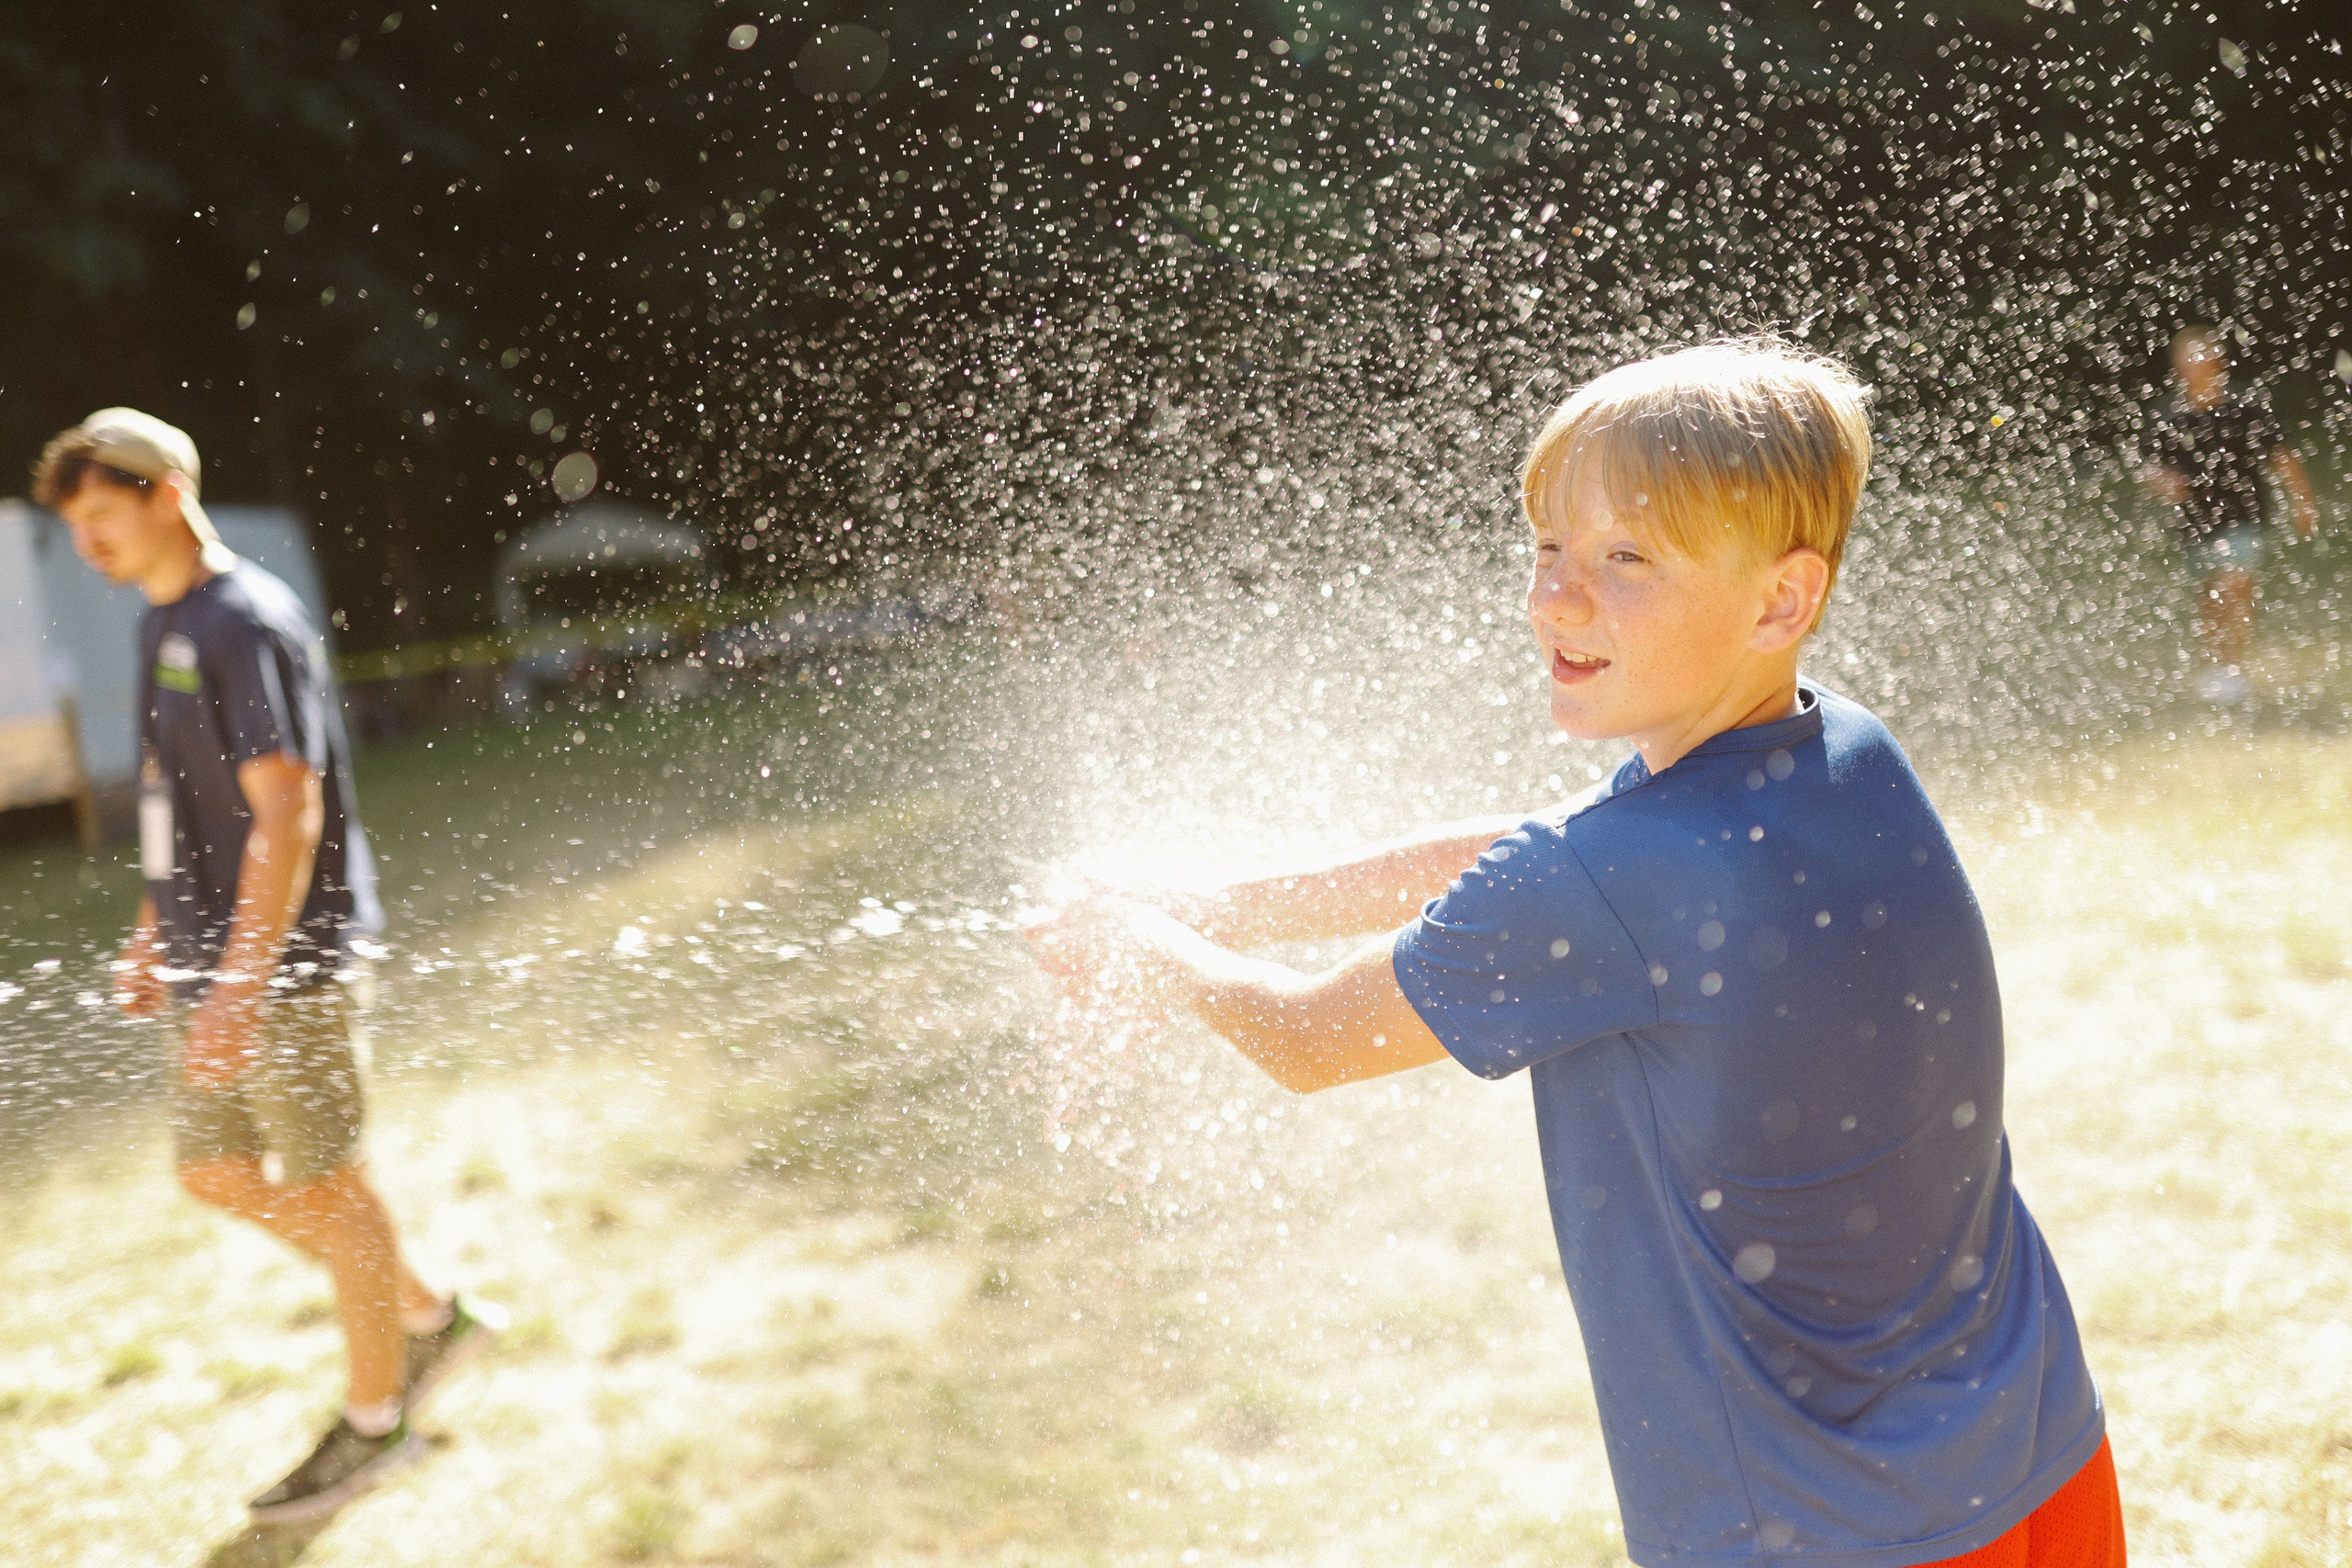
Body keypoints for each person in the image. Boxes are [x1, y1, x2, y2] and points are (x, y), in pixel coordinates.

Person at [1032, 343, 2125, 1565]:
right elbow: (1543, 855)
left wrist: (1142, 945)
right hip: (2035, 1445)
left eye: (1626, 558)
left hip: (1825, 1527)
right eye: (1549, 546)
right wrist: (1224, 902)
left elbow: (1307, 1036)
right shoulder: (1849, 749)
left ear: (1781, 598)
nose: (1557, 596)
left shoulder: (1607, 878)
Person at [34, 410, 496, 1528]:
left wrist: (240, 987)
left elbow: (285, 812)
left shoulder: (243, 621)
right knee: (217, 1172)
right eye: (75, 526)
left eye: (103, 516)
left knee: (335, 1191)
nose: (88, 544)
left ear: (165, 493)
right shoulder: (165, 619)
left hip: (284, 967)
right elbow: (177, 795)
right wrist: (156, 925)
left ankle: (377, 1422)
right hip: (216, 962)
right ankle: (425, 1314)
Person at [2141, 325, 2321, 704]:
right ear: (2178, 370)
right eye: (2187, 365)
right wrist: (2164, 482)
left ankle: (2232, 668)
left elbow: (2281, 456)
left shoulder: (2246, 405)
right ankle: (2217, 663)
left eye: (2202, 362)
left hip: (2245, 514)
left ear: (2218, 363)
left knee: (2235, 585)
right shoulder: (2165, 415)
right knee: (2211, 597)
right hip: (2195, 521)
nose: (2196, 371)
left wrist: (2303, 502)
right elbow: (2148, 468)